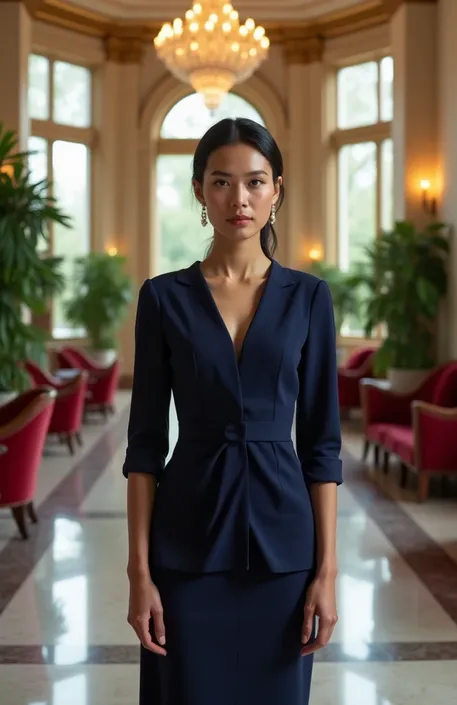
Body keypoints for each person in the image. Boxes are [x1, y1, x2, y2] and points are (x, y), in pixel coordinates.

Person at [123, 117, 342, 705]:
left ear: (276, 190)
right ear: (199, 190)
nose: (238, 199)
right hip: (186, 544)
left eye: (255, 181)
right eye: (221, 182)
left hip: (285, 551)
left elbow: (323, 445)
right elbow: (144, 444)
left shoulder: (310, 298)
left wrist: (327, 572)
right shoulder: (163, 298)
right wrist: (139, 574)